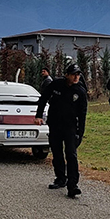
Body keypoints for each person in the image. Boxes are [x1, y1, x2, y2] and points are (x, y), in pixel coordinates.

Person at [35, 64, 88, 198]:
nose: (76, 77)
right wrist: (38, 115)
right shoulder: (56, 84)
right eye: (73, 74)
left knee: (71, 155)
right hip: (55, 124)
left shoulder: (80, 91)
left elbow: (82, 115)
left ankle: (73, 185)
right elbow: (43, 98)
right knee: (57, 152)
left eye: (78, 74)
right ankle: (60, 178)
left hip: (70, 127)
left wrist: (79, 134)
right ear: (67, 75)